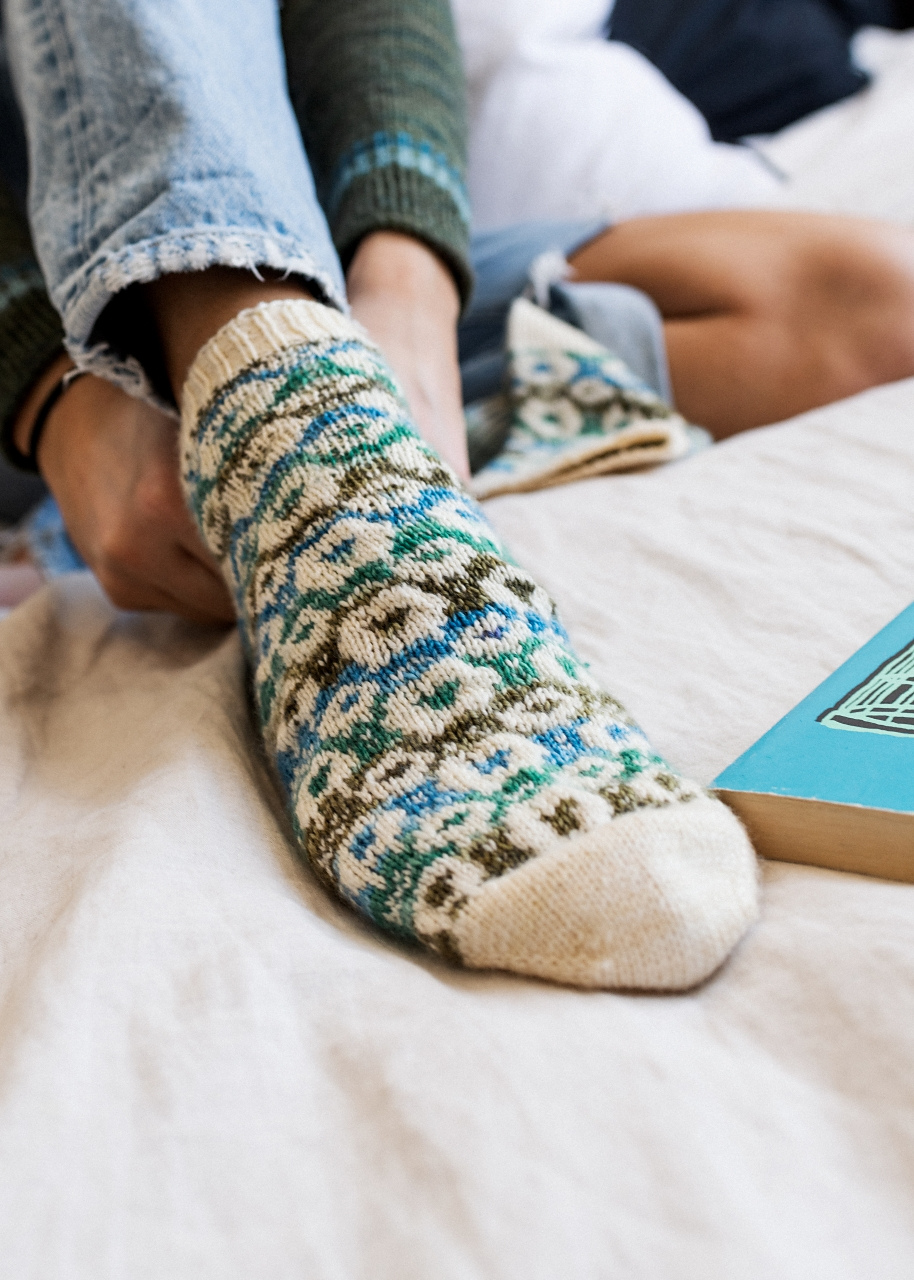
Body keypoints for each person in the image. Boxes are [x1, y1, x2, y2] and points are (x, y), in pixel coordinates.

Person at [0, 0, 759, 991]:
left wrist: (407, 289)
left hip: (301, 240)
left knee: (862, 306)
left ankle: (319, 414)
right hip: (43, 329)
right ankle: (272, 390)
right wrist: (53, 396)